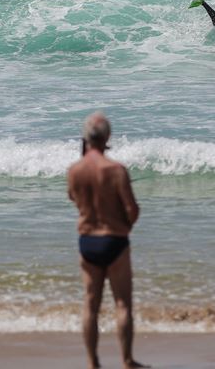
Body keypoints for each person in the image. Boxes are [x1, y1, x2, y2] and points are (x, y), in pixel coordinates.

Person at [67, 112, 147, 369]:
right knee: (122, 303)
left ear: (85, 138)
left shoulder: (74, 170)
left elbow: (74, 200)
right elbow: (132, 209)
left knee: (90, 304)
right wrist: (124, 228)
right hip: (114, 240)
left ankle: (92, 362)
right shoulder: (116, 170)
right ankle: (127, 360)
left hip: (87, 242)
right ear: (108, 137)